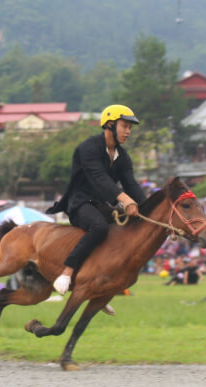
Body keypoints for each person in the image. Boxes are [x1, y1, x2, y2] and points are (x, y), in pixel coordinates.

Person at [45, 105, 145, 314]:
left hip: (102, 206)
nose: (128, 131)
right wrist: (125, 199)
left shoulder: (123, 157)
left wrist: (148, 210)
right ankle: (67, 272)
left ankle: (98, 291)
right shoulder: (88, 149)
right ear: (110, 124)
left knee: (122, 231)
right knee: (99, 228)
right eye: (124, 126)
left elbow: (132, 185)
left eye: (130, 128)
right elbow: (99, 179)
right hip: (79, 203)